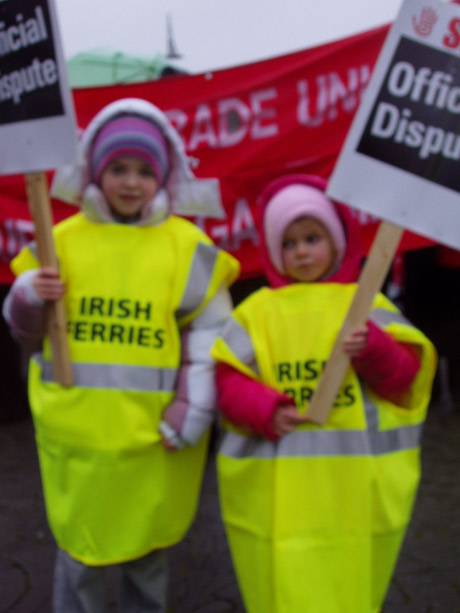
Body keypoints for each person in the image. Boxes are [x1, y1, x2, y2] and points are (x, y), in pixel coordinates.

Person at [3, 98, 239, 612]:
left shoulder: (187, 247)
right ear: (95, 171)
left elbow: (211, 337)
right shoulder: (59, 240)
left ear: (162, 177)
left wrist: (193, 407)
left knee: (146, 556)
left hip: (152, 439)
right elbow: (25, 332)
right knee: (80, 556)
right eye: (117, 169)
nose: (130, 183)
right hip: (79, 437)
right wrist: (26, 294)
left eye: (142, 171)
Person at [211, 174, 437, 613]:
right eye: (290, 243)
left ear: (337, 242)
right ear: (275, 254)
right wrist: (265, 410)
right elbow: (227, 382)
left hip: (353, 493)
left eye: (312, 238)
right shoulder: (256, 313)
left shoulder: (369, 305)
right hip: (282, 493)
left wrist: (374, 349)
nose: (301, 252)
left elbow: (405, 381)